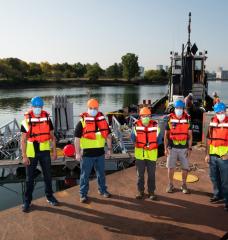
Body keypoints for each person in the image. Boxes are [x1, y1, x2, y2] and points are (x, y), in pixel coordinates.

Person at [21, 96, 59, 212]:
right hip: (31, 153)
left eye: (40, 106)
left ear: (42, 107)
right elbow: (23, 140)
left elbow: (52, 137)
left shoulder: (47, 119)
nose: (38, 108)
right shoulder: (26, 120)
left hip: (44, 152)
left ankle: (49, 196)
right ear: (32, 106)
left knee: (48, 175)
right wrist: (24, 156)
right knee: (29, 179)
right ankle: (27, 201)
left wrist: (54, 151)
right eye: (35, 106)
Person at [74, 98, 112, 203]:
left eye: (95, 108)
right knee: (84, 176)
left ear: (98, 108)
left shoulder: (102, 121)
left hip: (100, 153)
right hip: (86, 155)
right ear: (87, 108)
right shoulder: (81, 122)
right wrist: (77, 153)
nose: (93, 110)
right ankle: (83, 194)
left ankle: (103, 190)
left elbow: (108, 136)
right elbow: (76, 139)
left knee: (101, 174)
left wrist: (109, 150)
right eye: (91, 108)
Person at [131, 107, 160, 200]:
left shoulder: (156, 127)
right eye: (144, 116)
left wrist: (150, 146)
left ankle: (151, 192)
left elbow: (159, 141)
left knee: (151, 175)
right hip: (140, 155)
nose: (146, 117)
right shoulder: (135, 127)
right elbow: (133, 140)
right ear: (140, 116)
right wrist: (141, 146)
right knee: (140, 175)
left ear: (150, 116)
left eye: (148, 115)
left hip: (151, 155)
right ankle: (140, 191)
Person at [164, 99, 193, 194]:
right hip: (172, 148)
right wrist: (165, 148)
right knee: (170, 167)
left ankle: (184, 184)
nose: (179, 109)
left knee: (185, 168)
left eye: (180, 108)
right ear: (174, 108)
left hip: (184, 148)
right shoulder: (169, 119)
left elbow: (190, 136)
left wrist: (189, 148)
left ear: (183, 108)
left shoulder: (188, 119)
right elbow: (166, 136)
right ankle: (170, 184)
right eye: (177, 108)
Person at [205, 102, 228, 211]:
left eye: (222, 112)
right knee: (214, 177)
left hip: (225, 157)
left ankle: (227, 200)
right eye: (218, 112)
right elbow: (208, 139)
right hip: (212, 156)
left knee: (225, 180)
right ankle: (217, 195)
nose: (220, 114)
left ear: (225, 111)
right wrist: (207, 154)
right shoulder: (212, 122)